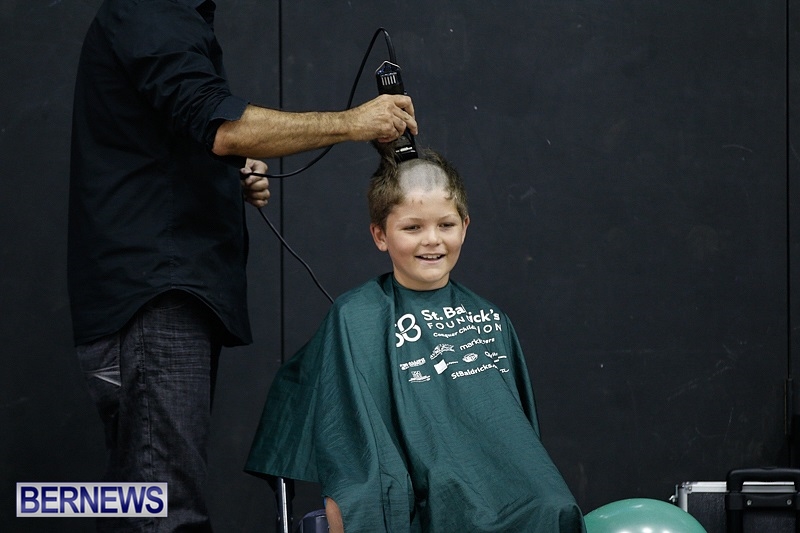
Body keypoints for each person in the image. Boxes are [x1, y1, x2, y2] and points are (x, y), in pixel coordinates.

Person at [67, 0, 417, 531]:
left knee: (134, 502)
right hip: (154, 297)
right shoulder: (151, 9)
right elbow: (222, 127)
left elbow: (172, 134)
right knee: (165, 511)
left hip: (153, 293)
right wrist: (353, 122)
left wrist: (224, 178)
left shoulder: (166, 16)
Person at [245, 146, 586, 532]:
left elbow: (520, 447)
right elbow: (353, 448)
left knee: (553, 508)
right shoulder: (355, 317)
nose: (432, 240)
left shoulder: (492, 319)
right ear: (380, 235)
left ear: (465, 226)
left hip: (502, 491)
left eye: (446, 225)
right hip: (422, 486)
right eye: (412, 228)